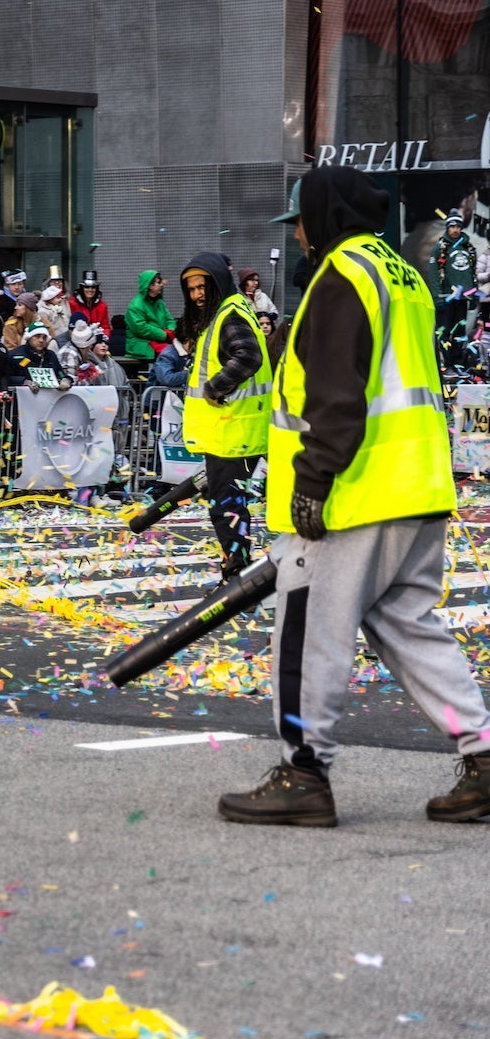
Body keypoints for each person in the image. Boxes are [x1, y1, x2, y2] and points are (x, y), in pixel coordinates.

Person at [218, 164, 490, 828]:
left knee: (309, 632)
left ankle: (303, 771)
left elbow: (339, 391)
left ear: (327, 216)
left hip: (353, 495)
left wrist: (312, 480)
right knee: (409, 626)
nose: (301, 236)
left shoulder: (342, 274)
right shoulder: (400, 272)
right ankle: (485, 755)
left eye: (303, 221)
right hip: (417, 484)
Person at [177, 251, 271, 582]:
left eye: (203, 287)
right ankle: (238, 567)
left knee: (226, 506)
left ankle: (237, 573)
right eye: (191, 289)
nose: (197, 295)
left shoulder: (228, 316)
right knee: (231, 505)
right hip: (234, 429)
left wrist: (215, 388)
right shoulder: (228, 312)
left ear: (218, 283)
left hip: (233, 431)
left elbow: (248, 356)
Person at [433, 211, 475, 343]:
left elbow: (473, 273)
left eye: (458, 227)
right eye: (452, 227)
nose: (455, 230)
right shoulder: (440, 247)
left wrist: (474, 295)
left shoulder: (469, 248)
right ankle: (445, 362)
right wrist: (437, 297)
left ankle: (458, 362)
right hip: (446, 297)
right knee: (444, 332)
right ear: (447, 228)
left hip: (463, 298)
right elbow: (433, 273)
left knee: (460, 333)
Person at [123, 270, 176, 362]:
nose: (162, 285)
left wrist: (171, 331)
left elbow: (170, 320)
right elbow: (140, 328)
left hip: (159, 342)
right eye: (158, 282)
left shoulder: (159, 303)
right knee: (171, 355)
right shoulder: (136, 305)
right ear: (150, 286)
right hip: (143, 346)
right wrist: (165, 335)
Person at [67, 269, 112, 338]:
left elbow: (105, 327)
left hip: (97, 340)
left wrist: (103, 340)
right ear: (82, 288)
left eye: (93, 287)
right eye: (87, 287)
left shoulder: (102, 306)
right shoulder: (72, 304)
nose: (90, 290)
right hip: (77, 339)